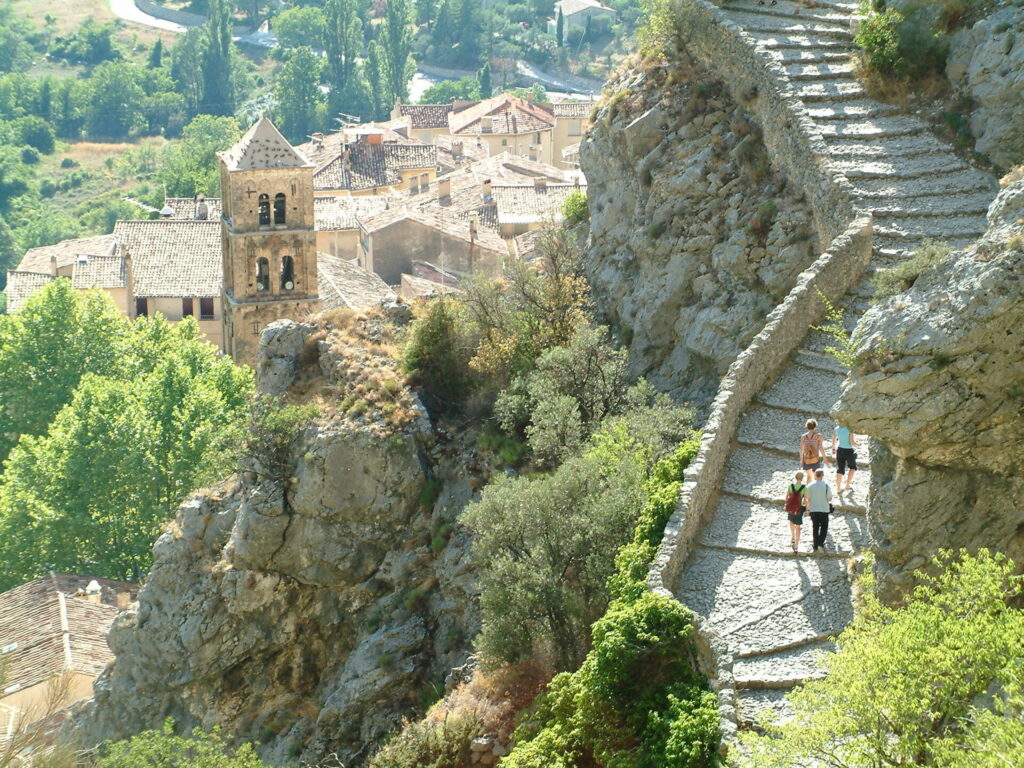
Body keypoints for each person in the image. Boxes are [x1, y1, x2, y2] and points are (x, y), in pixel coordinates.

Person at [806, 468, 832, 552]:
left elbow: (808, 499)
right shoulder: (826, 485)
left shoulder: (810, 486)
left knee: (815, 527)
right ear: (822, 476)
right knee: (824, 527)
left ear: (815, 475)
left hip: (813, 509)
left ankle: (815, 545)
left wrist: (808, 510)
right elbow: (829, 499)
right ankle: (821, 542)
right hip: (824, 509)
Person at [832, 422, 860, 493]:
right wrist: (858, 444)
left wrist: (833, 448)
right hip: (849, 451)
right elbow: (852, 442)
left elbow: (834, 440)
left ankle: (838, 488)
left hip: (840, 450)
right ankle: (847, 485)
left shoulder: (836, 428)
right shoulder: (850, 429)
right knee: (853, 467)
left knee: (840, 469)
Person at [785, 471, 808, 553]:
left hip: (791, 507)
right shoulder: (804, 488)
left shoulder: (790, 486)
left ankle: (793, 537)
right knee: (798, 527)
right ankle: (796, 546)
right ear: (802, 479)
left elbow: (787, 497)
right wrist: (806, 508)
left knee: (791, 522)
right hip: (799, 509)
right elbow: (805, 500)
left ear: (795, 477)